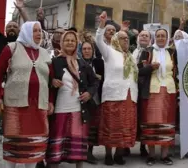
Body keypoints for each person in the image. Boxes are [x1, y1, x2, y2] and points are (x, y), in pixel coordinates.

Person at [0, 21, 54, 168]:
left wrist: (51, 101)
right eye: (34, 31)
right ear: (27, 32)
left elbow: (52, 80)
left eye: (40, 31)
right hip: (16, 105)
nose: (39, 33)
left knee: (34, 144)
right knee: (14, 143)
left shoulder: (45, 53)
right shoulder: (12, 48)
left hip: (39, 106)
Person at [46, 31, 99, 168]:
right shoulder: (55, 62)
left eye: (72, 40)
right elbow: (46, 80)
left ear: (77, 44)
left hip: (78, 109)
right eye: (67, 40)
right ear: (62, 43)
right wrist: (52, 81)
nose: (70, 42)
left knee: (78, 144)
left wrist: (89, 93)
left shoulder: (82, 63)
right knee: (57, 141)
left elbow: (94, 82)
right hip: (59, 108)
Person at [96, 11, 138, 165]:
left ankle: (119, 154)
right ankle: (108, 154)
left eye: (127, 38)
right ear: (115, 40)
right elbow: (98, 40)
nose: (125, 40)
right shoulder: (109, 52)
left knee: (125, 126)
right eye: (122, 38)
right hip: (113, 96)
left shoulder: (131, 57)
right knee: (111, 125)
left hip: (129, 96)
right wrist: (102, 24)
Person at [138, 28, 178, 166]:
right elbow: (139, 71)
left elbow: (176, 70)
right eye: (158, 36)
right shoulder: (148, 51)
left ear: (167, 38)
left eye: (163, 36)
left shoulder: (172, 52)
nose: (161, 38)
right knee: (151, 122)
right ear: (155, 38)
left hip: (169, 90)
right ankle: (151, 155)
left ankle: (165, 155)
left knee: (167, 122)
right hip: (152, 91)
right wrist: (150, 67)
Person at [80, 41, 105, 164]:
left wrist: (99, 77)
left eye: (89, 48)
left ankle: (90, 151)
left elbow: (104, 77)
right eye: (84, 48)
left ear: (93, 50)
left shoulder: (99, 62)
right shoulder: (78, 62)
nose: (86, 51)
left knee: (94, 127)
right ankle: (82, 151)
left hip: (97, 98)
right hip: (83, 98)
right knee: (84, 127)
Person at [132, 30, 152, 157]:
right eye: (141, 35)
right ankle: (127, 145)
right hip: (131, 89)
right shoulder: (132, 51)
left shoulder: (152, 52)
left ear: (150, 39)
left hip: (144, 89)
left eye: (146, 35)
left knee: (143, 118)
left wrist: (144, 69)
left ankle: (143, 146)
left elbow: (144, 70)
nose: (143, 37)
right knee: (132, 118)